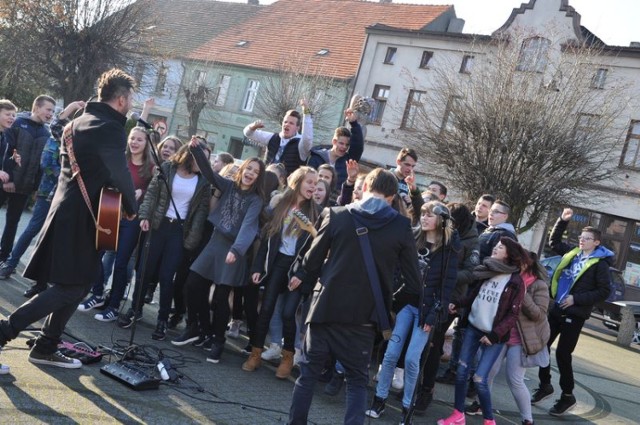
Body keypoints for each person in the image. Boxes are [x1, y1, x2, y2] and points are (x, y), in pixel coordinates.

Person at [0, 68, 137, 369]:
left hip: (67, 212)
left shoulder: (78, 122)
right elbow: (119, 171)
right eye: (131, 100)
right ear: (121, 100)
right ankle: (6, 331)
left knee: (79, 283)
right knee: (71, 287)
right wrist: (131, 206)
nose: (132, 105)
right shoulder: (109, 127)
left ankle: (47, 346)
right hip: (83, 219)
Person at [287, 168, 422, 425]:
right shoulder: (401, 227)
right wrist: (387, 299)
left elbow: (310, 262)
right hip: (364, 318)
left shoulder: (336, 215)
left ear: (365, 187)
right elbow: (414, 282)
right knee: (357, 383)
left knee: (308, 376)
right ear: (392, 197)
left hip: (324, 310)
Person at [172, 142, 264, 365]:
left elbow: (249, 227)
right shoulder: (229, 186)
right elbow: (208, 172)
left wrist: (237, 249)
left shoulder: (256, 200)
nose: (250, 173)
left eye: (256, 172)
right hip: (215, 243)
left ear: (258, 178)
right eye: (249, 168)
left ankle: (218, 341)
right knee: (193, 285)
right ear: (242, 170)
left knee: (222, 298)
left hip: (233, 250)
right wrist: (195, 149)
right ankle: (198, 327)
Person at [366, 201, 459, 422]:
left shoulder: (449, 250)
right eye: (423, 214)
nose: (424, 218)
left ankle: (407, 407)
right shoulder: (413, 238)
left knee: (411, 360)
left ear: (441, 221)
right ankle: (379, 400)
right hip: (405, 306)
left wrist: (433, 315)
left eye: (429, 215)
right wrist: (392, 299)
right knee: (390, 355)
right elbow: (397, 269)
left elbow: (447, 287)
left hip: (426, 311)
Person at [120, 142, 211, 340]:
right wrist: (144, 216)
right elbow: (152, 193)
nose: (203, 163)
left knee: (166, 276)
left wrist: (191, 240)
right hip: (158, 226)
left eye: (206, 159)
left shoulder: (204, 181)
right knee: (145, 270)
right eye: (200, 158)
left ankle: (162, 319)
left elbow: (201, 213)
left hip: (179, 230)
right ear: (189, 155)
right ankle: (135, 310)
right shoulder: (168, 168)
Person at [531, 208, 612, 416]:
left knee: (563, 354)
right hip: (557, 309)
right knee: (542, 347)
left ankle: (567, 396)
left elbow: (604, 291)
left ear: (597, 243)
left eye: (587, 239)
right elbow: (554, 242)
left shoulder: (600, 265)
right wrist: (562, 221)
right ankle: (545, 386)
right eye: (581, 237)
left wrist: (576, 299)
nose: (582, 241)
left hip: (574, 315)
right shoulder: (573, 254)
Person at [438, 237, 527, 425]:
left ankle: (489, 420)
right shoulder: (487, 271)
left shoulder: (516, 281)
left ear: (509, 254)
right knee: (461, 372)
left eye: (500, 247)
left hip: (494, 336)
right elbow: (474, 296)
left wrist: (494, 335)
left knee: (479, 378)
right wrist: (458, 304)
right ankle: (458, 415)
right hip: (473, 328)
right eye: (496, 246)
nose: (495, 248)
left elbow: (513, 315)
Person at [0, 101, 86, 296]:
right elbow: (47, 162)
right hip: (48, 193)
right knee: (32, 229)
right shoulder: (60, 136)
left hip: (67, 198)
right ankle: (10, 263)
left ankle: (41, 282)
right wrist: (69, 177)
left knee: (54, 238)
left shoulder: (85, 145)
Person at [242, 166, 319, 379]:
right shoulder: (281, 204)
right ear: (298, 182)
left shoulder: (317, 213)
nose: (313, 186)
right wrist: (258, 267)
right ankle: (255, 353)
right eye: (309, 182)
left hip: (299, 268)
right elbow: (267, 239)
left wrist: (302, 274)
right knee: (266, 310)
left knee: (287, 313)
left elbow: (318, 250)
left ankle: (288, 357)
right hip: (277, 264)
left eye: (316, 183)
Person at [81, 126, 154, 321]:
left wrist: (142, 193)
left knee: (121, 264)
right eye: (132, 138)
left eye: (139, 139)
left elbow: (154, 194)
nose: (134, 142)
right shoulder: (119, 160)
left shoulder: (151, 168)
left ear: (147, 143)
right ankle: (97, 295)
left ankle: (113, 306)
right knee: (97, 253)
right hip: (110, 212)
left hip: (132, 219)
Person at [418, 202, 480, 410]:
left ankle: (426, 390)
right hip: (428, 292)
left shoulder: (471, 241)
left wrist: (448, 275)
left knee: (433, 345)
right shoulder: (439, 233)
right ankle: (413, 384)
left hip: (450, 298)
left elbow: (471, 272)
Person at [481, 252, 550, 425]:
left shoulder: (539, 285)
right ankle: (483, 406)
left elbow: (538, 314)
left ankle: (528, 419)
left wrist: (523, 293)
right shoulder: (509, 278)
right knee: (486, 374)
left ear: (529, 264)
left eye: (521, 262)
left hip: (522, 340)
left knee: (515, 380)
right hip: (501, 334)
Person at [0, 95, 56, 262]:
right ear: (37, 108)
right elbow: (8, 153)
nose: (51, 114)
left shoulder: (47, 133)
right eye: (48, 109)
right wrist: (9, 179)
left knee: (13, 222)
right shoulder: (17, 124)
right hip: (6, 182)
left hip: (25, 187)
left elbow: (42, 164)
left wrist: (35, 187)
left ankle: (3, 256)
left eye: (53, 111)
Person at [243, 99, 313, 176]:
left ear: (297, 128)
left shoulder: (301, 144)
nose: (287, 124)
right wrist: (253, 126)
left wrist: (306, 112)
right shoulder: (273, 137)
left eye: (291, 123)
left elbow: (308, 138)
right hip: (266, 181)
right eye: (285, 122)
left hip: (287, 186)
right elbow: (248, 133)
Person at [307, 108, 364, 188]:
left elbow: (358, 147)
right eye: (341, 143)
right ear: (334, 141)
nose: (344, 147)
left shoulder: (348, 161)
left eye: (347, 145)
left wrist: (354, 123)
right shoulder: (316, 158)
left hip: (336, 198)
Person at [393, 147, 423, 225]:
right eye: (407, 165)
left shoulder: (410, 182)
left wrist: (413, 192)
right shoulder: (386, 176)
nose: (410, 169)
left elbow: (420, 211)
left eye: (412, 166)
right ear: (398, 162)